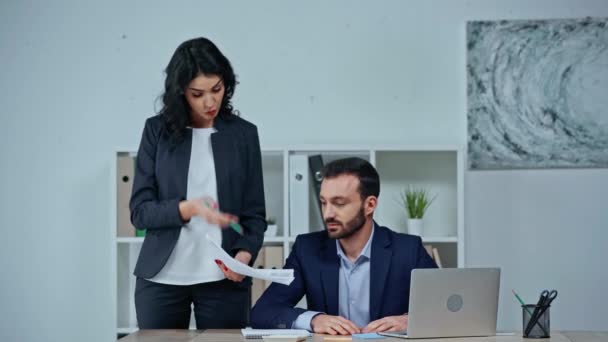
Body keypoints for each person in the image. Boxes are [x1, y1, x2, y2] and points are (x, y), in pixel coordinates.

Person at [129, 37, 266, 329]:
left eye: (217, 89)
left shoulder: (244, 135)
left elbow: (255, 215)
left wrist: (244, 254)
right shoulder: (156, 132)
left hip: (223, 279)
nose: (210, 101)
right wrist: (187, 209)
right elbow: (140, 212)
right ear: (181, 93)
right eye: (197, 93)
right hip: (161, 278)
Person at [250, 157, 436, 335]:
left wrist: (409, 320)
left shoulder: (408, 249)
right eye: (324, 203)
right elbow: (263, 311)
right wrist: (314, 319)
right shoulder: (307, 249)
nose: (328, 213)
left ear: (369, 205)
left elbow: (445, 309)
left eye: (339, 203)